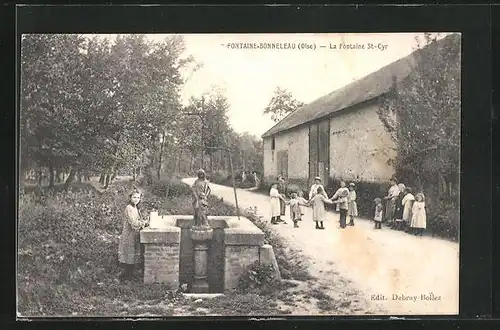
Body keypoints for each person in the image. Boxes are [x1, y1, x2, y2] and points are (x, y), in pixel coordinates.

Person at [118, 189, 148, 281]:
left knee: (133, 254)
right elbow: (133, 223)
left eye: (138, 197)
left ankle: (131, 275)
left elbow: (138, 220)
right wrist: (143, 223)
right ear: (130, 197)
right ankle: (125, 276)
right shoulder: (129, 208)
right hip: (129, 235)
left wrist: (144, 221)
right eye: (134, 197)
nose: (136, 199)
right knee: (129, 254)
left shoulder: (135, 208)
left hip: (135, 234)